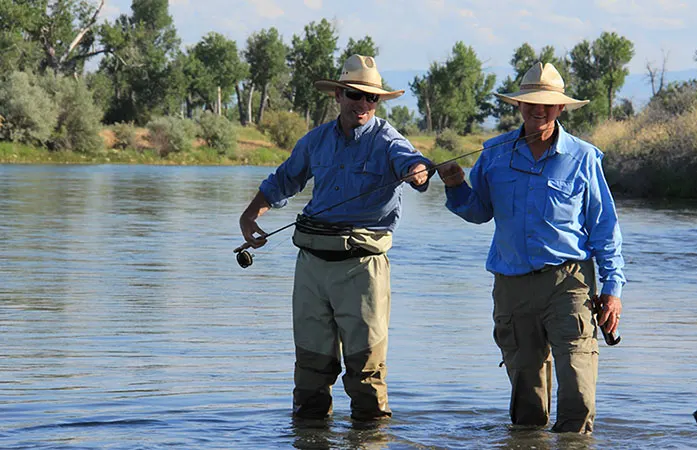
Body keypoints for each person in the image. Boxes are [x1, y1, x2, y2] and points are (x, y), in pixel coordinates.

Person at [239, 54, 432, 422]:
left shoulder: (389, 140)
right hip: (311, 268)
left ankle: (372, 441)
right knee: (310, 371)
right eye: (354, 95)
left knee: (366, 373)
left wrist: (418, 173)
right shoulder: (315, 142)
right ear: (338, 96)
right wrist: (250, 215)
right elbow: (282, 182)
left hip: (362, 268)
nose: (362, 104)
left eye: (370, 98)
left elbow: (414, 163)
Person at [437, 62, 625, 433]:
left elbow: (605, 228)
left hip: (570, 284)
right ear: (519, 106)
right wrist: (457, 185)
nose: (539, 110)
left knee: (579, 396)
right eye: (531, 103)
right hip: (512, 286)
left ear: (560, 109)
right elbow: (479, 212)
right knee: (528, 405)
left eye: (548, 104)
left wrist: (613, 288)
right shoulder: (493, 153)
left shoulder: (584, 157)